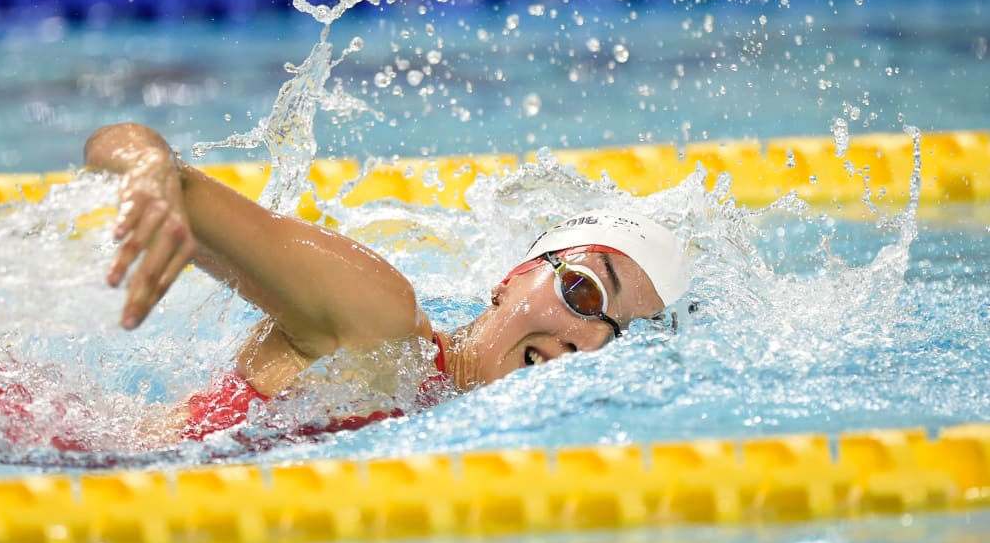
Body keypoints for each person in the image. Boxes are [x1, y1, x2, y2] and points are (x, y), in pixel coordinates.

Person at [82, 122, 692, 444]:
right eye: (584, 293)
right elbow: (130, 152)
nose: (588, 345)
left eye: (622, 339)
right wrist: (146, 167)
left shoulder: (445, 416)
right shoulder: (382, 325)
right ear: (512, 278)